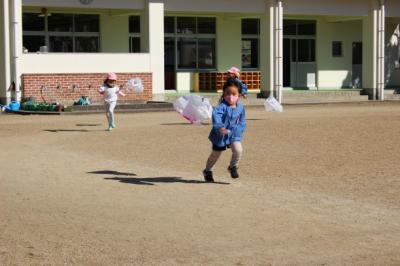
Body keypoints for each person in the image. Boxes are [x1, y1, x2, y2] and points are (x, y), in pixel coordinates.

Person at [203, 79, 246, 182]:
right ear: (223, 94)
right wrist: (220, 127)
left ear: (238, 95)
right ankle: (208, 171)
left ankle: (233, 167)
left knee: (238, 150)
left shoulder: (240, 108)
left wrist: (239, 130)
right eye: (227, 93)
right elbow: (216, 116)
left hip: (233, 134)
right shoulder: (220, 107)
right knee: (216, 154)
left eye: (233, 94)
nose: (230, 96)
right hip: (220, 134)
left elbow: (242, 121)